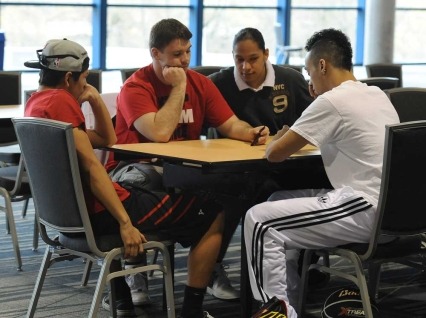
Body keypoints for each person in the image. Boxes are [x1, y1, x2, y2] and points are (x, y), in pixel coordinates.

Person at [24, 38, 226, 318]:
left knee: (132, 183)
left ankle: (122, 298)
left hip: (66, 218)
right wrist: (125, 223)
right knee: (214, 207)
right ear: (69, 77)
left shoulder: (36, 104)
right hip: (99, 215)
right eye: (84, 80)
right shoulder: (60, 102)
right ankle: (192, 310)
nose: (85, 85)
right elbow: (93, 169)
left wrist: (94, 99)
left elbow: (107, 139)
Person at [104, 18, 269, 303]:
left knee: (234, 190)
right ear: (156, 53)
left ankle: (207, 273)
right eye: (177, 54)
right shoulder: (136, 87)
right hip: (134, 171)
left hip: (183, 170)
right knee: (200, 200)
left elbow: (231, 125)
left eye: (188, 52)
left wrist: (250, 132)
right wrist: (179, 88)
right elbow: (159, 132)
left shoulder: (201, 84)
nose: (184, 61)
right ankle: (134, 271)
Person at [244, 28, 399, 318]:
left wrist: (283, 134)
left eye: (308, 70)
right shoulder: (377, 94)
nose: (308, 80)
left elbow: (273, 154)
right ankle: (287, 298)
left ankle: (276, 311)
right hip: (396, 212)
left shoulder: (332, 101)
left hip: (365, 207)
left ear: (323, 65)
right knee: (275, 201)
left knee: (259, 220)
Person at [209, 27, 331, 292]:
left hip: (285, 164)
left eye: (252, 58)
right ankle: (212, 268)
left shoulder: (290, 79)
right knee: (236, 192)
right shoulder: (218, 83)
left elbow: (312, 125)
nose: (245, 66)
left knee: (321, 179)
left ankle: (303, 262)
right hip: (235, 169)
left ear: (265, 54)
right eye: (238, 59)